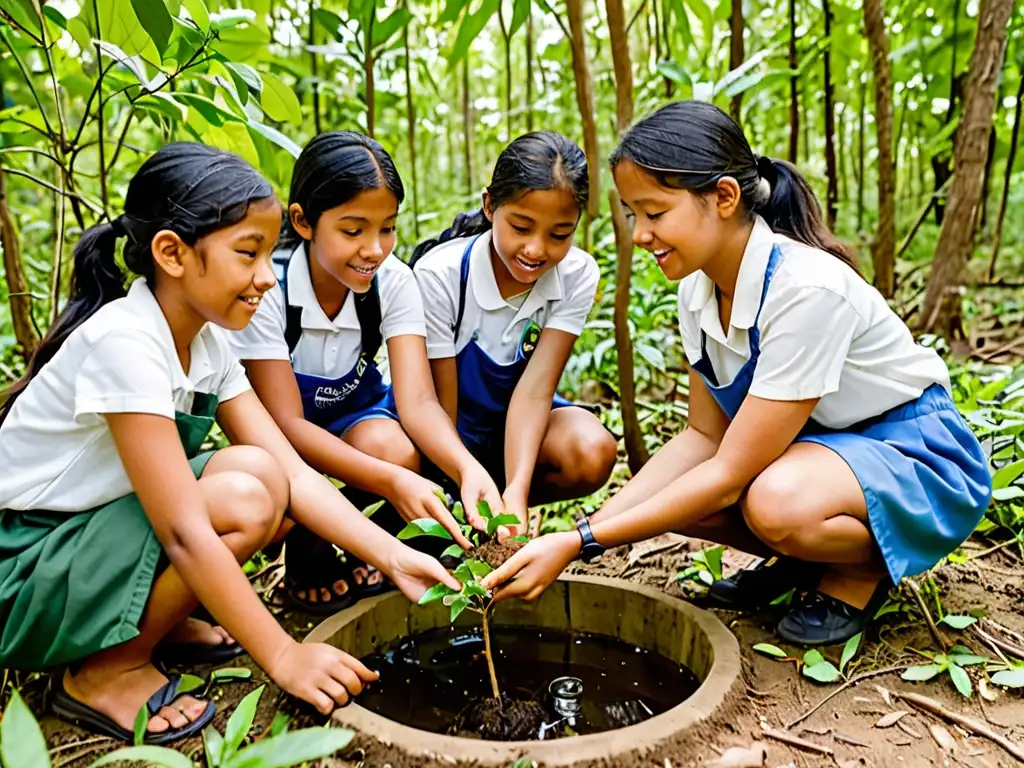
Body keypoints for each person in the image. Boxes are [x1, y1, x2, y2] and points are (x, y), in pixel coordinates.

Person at [481, 102, 992, 646]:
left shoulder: (806, 291)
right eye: (633, 215)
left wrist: (582, 541)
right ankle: (804, 560)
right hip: (818, 454)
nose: (640, 235)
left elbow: (728, 470)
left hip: (916, 458)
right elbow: (703, 437)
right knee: (674, 492)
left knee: (773, 501)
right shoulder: (696, 290)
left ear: (723, 198)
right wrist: (581, 533)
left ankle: (858, 571)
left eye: (655, 213)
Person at [0, 143, 460, 744]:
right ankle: (104, 671)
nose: (267, 276)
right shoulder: (125, 344)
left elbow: (292, 473)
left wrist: (392, 555)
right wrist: (284, 657)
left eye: (269, 255)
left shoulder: (209, 343)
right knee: (240, 498)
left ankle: (151, 627)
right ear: (171, 253)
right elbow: (185, 531)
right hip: (26, 566)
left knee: (261, 474)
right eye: (248, 254)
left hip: (88, 538)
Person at [228, 132, 502, 614]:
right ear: (303, 221)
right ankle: (308, 557)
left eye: (388, 229)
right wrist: (392, 483)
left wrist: (466, 467)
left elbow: (417, 403)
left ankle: (365, 547)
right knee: (302, 476)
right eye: (353, 231)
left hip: (358, 417)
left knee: (392, 447)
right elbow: (285, 424)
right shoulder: (270, 288)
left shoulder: (393, 282)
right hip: (281, 434)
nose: (374, 249)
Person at [410, 131, 618, 536]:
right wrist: (457, 476)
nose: (536, 250)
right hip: (440, 426)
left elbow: (535, 390)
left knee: (591, 450)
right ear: (489, 206)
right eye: (521, 227)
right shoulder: (442, 275)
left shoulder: (577, 274)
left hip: (515, 425)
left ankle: (500, 514)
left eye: (559, 234)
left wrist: (517, 492)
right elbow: (438, 402)